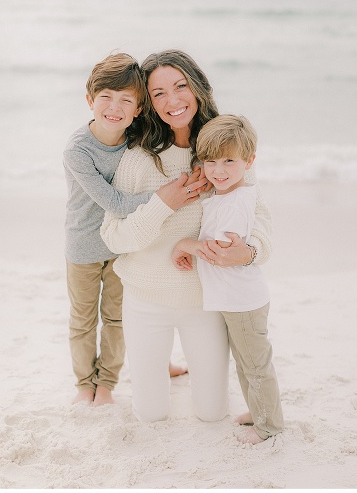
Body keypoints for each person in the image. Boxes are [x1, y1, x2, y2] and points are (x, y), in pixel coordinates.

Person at [100, 49, 272, 423]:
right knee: (150, 414)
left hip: (205, 300)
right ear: (147, 102)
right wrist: (165, 202)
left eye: (180, 86)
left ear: (198, 88)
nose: (172, 100)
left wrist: (250, 252)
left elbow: (258, 217)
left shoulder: (221, 150)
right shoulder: (137, 159)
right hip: (145, 300)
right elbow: (114, 237)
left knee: (213, 413)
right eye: (158, 93)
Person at [63, 52, 197, 406]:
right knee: (83, 321)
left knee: (117, 319)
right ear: (90, 100)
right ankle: (83, 386)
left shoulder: (137, 136)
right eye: (105, 97)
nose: (115, 108)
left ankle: (106, 384)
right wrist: (168, 196)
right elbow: (118, 204)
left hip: (125, 247)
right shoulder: (78, 151)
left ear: (139, 109)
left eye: (127, 100)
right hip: (83, 248)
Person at [172, 114, 283, 444]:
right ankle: (259, 410)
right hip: (238, 298)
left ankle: (269, 426)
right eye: (210, 161)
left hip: (242, 300)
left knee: (255, 365)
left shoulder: (235, 202)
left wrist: (185, 244)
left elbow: (221, 250)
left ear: (249, 161)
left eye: (229, 161)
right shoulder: (232, 194)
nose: (218, 170)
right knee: (247, 363)